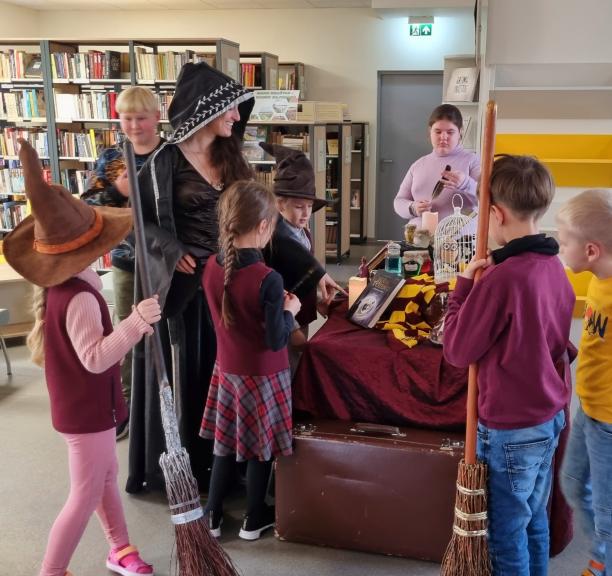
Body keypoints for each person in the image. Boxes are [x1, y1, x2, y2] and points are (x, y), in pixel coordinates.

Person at [3, 140, 160, 576]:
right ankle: (51, 571)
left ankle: (119, 547)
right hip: (87, 410)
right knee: (85, 493)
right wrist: (136, 323)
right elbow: (94, 358)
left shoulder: (74, 282)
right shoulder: (79, 298)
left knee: (105, 478)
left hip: (90, 407)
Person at [442, 155, 575, 575]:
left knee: (505, 536)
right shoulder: (556, 267)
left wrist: (464, 285)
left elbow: (457, 349)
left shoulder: (503, 280)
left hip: (511, 427)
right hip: (548, 417)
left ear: (494, 214)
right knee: (533, 521)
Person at [200, 180, 300, 541]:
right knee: (260, 449)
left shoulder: (211, 266)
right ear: (262, 227)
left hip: (227, 371)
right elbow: (276, 339)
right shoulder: (268, 278)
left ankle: (211, 513)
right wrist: (290, 310)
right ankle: (253, 517)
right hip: (263, 375)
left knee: (223, 444)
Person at [82, 86, 163, 440]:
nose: (132, 125)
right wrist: (119, 192)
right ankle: (127, 406)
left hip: (166, 262)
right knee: (126, 333)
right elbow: (90, 205)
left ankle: (163, 404)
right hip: (128, 259)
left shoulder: (170, 155)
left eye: (140, 118)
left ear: (157, 118)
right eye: (126, 118)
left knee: (166, 333)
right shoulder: (112, 156)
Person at [557, 189, 612, 576]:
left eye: (564, 241)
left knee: (608, 509)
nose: (561, 248)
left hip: (609, 421)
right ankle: (602, 550)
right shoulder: (596, 279)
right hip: (588, 406)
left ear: (591, 250)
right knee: (574, 484)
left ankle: (603, 561)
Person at [259, 142, 346, 374]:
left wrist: (318, 297)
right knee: (286, 365)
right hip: (285, 317)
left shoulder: (302, 232)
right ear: (279, 204)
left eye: (309, 206)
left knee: (298, 364)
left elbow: (305, 272)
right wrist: (294, 327)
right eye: (299, 207)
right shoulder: (273, 240)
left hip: (303, 311)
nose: (306, 213)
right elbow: (276, 289)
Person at [394, 103, 480, 227]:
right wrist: (413, 207)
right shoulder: (418, 165)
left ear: (460, 132)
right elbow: (399, 201)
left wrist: (466, 184)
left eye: (450, 132)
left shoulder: (473, 161)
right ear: (430, 132)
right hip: (419, 240)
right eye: (438, 131)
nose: (443, 137)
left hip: (458, 241)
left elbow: (487, 201)